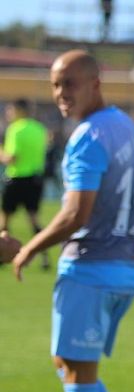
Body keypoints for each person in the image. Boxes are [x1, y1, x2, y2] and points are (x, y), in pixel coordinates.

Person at [11, 49, 134, 392]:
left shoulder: (88, 137)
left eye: (69, 84)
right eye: (55, 85)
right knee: (70, 366)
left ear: (95, 84)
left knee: (77, 376)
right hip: (123, 272)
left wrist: (28, 248)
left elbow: (76, 214)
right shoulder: (126, 126)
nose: (61, 93)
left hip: (90, 270)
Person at [0, 98, 50, 269]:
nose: (8, 113)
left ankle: (2, 256)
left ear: (19, 110)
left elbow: (11, 158)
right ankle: (45, 257)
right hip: (35, 179)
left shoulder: (15, 129)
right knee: (34, 219)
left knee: (5, 220)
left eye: (10, 109)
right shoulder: (39, 129)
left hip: (16, 178)